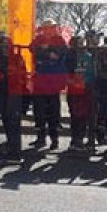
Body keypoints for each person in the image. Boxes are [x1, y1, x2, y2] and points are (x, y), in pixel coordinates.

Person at [31, 20, 67, 150]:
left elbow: (59, 54)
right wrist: (47, 52)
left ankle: (54, 140)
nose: (49, 30)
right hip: (40, 82)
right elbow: (33, 49)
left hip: (53, 82)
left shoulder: (59, 40)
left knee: (54, 113)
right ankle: (40, 138)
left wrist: (46, 50)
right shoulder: (38, 39)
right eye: (46, 28)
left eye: (51, 28)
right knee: (39, 112)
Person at [67, 35, 96, 151]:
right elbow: (65, 72)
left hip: (85, 89)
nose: (80, 46)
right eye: (77, 44)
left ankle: (80, 139)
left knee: (83, 115)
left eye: (81, 43)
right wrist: (71, 81)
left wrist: (84, 82)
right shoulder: (69, 57)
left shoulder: (88, 57)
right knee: (74, 115)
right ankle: (74, 140)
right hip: (73, 89)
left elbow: (91, 73)